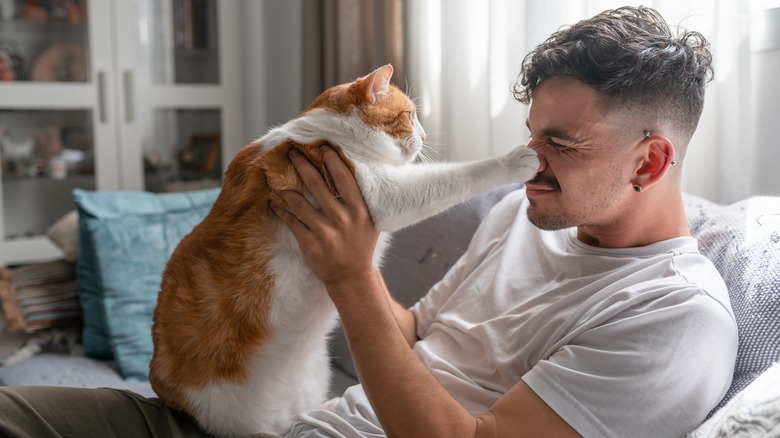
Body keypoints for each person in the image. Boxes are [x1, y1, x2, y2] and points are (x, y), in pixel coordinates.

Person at [0, 6, 736, 437]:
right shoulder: (527, 214)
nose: (528, 159)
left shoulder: (673, 315)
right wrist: (321, 238)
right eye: (533, 132)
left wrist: (350, 275)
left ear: (648, 162)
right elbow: (415, 331)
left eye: (560, 144)